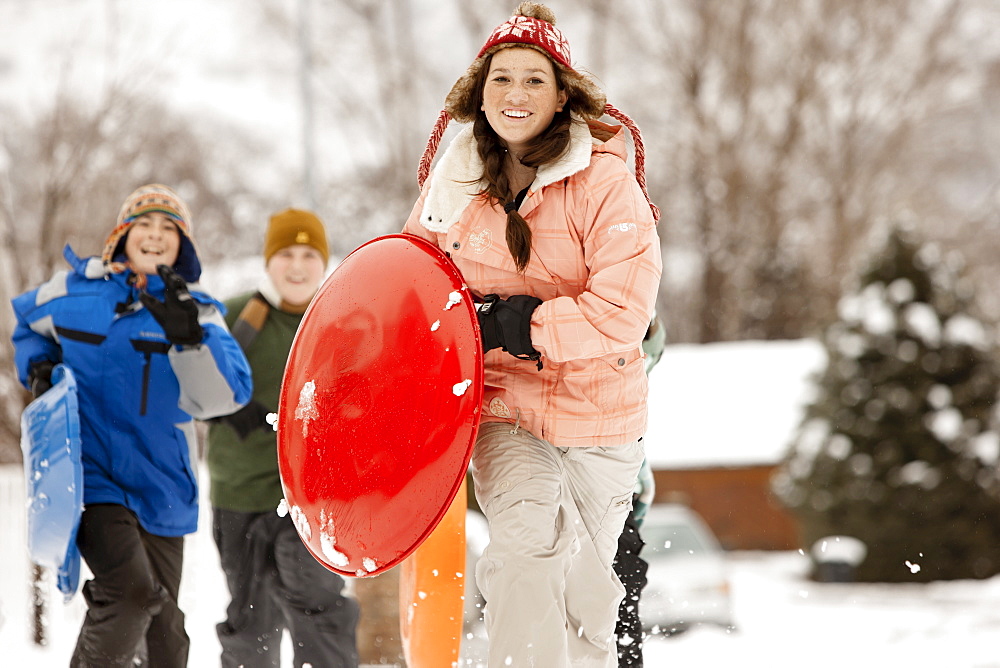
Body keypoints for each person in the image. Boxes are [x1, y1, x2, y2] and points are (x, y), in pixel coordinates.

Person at [402, 3, 662, 666]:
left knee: (586, 589)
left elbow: (621, 312)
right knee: (525, 548)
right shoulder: (454, 185)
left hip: (602, 416)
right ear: (479, 94)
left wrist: (521, 324)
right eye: (502, 80)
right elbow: (411, 287)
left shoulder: (605, 182)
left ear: (561, 95)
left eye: (533, 80)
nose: (516, 94)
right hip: (505, 405)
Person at [11, 183, 253, 668]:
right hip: (92, 478)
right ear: (123, 233)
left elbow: (228, 394)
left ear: (183, 244)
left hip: (163, 483)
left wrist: (189, 339)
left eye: (170, 228)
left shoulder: (198, 308)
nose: (156, 235)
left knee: (165, 637)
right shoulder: (76, 292)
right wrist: (39, 370)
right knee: (131, 595)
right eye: (145, 223)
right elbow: (26, 325)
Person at [206, 208, 360, 668]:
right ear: (268, 260)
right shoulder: (235, 319)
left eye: (309, 254)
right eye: (286, 253)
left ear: (324, 261)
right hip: (242, 492)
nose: (297, 265)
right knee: (250, 619)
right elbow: (193, 388)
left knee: (319, 609)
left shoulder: (343, 322)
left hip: (317, 499)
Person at [614, 314, 666, 667]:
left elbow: (651, 343)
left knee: (619, 615)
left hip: (620, 500)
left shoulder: (630, 359)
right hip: (616, 497)